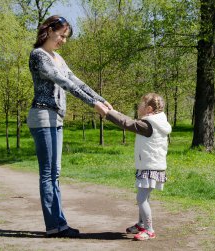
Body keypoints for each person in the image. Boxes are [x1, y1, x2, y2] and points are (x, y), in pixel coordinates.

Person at [27, 15, 112, 238]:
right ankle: (54, 226)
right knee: (48, 174)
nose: (63, 40)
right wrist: (93, 104)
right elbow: (62, 82)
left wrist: (100, 99)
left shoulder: (59, 58)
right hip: (42, 116)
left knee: (55, 173)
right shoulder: (38, 56)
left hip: (57, 118)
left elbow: (76, 81)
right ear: (49, 30)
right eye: (61, 35)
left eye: (66, 37)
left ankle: (60, 223)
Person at [97, 93, 172, 241]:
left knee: (141, 198)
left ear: (149, 109)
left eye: (140, 105)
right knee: (144, 196)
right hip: (151, 165)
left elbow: (127, 123)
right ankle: (141, 224)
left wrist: (108, 114)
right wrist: (112, 111)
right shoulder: (155, 122)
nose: (138, 107)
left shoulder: (147, 125)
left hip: (150, 167)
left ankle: (149, 230)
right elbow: (129, 120)